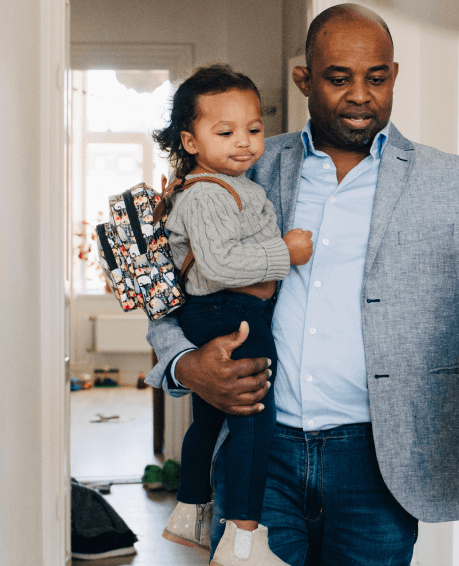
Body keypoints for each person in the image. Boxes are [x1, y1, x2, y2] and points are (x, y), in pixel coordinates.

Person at [144, 5, 459, 564]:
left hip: (383, 460)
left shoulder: (452, 181)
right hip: (259, 451)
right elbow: (168, 285)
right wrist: (184, 365)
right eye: (338, 78)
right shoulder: (248, 167)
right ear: (304, 79)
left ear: (393, 76)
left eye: (376, 78)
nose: (360, 95)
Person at [152, 64, 314, 566]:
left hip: (222, 309)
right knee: (253, 418)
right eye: (225, 132)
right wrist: (286, 253)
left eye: (253, 129)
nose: (243, 143)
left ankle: (191, 511)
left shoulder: (228, 184)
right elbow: (221, 262)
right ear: (191, 140)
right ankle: (244, 538)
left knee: (210, 417)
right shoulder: (206, 193)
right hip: (230, 312)